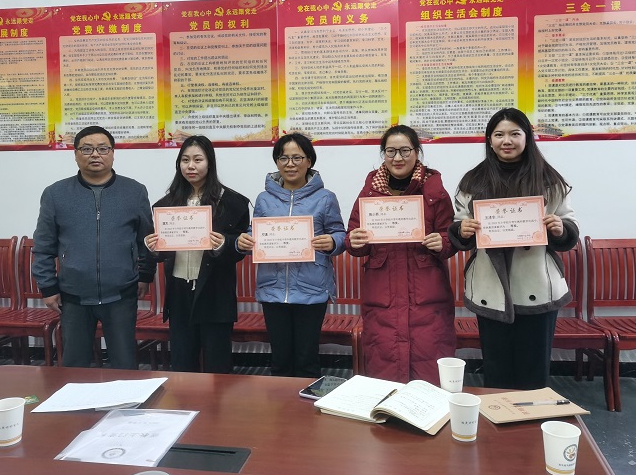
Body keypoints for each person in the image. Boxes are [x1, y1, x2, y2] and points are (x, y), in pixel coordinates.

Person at [448, 108, 579, 390]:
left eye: (514, 134)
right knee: (496, 368)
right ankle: (498, 417)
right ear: (489, 140)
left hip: (537, 283)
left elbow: (570, 224)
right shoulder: (473, 181)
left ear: (527, 137)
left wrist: (560, 227)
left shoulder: (549, 180)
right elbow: (458, 224)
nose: (506, 141)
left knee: (534, 369)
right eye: (499, 135)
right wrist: (462, 230)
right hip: (489, 285)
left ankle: (532, 417)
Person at [32, 125, 154, 369]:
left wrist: (145, 275)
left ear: (113, 153)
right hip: (73, 296)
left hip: (121, 294)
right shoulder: (56, 194)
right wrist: (47, 287)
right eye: (87, 149)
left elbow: (146, 239)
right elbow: (43, 245)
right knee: (74, 366)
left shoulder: (134, 191)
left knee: (124, 365)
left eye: (102, 149)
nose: (95, 154)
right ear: (75, 154)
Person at [345, 125, 456, 386]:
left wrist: (442, 242)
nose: (398, 158)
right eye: (390, 151)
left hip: (426, 295)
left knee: (429, 365)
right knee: (384, 366)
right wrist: (355, 241)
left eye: (405, 150)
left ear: (417, 152)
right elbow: (353, 237)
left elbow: (451, 236)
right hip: (382, 294)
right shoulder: (369, 192)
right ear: (383, 154)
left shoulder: (435, 192)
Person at [236, 133, 346, 377]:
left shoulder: (325, 198)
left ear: (309, 161)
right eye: (283, 158)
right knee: (280, 358)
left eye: (297, 157)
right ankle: (280, 402)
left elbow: (340, 234)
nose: (290, 164)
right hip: (273, 289)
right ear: (276, 162)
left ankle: (306, 401)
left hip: (312, 288)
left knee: (307, 359)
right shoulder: (264, 199)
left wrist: (332, 242)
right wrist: (244, 241)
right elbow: (255, 232)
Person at [145, 136, 250, 373]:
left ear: (209, 162)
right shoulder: (166, 204)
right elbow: (162, 253)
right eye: (185, 160)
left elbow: (239, 249)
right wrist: (154, 248)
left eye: (197, 160)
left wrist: (224, 244)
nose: (190, 166)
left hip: (215, 291)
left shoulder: (233, 203)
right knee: (182, 362)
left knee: (217, 365)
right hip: (179, 291)